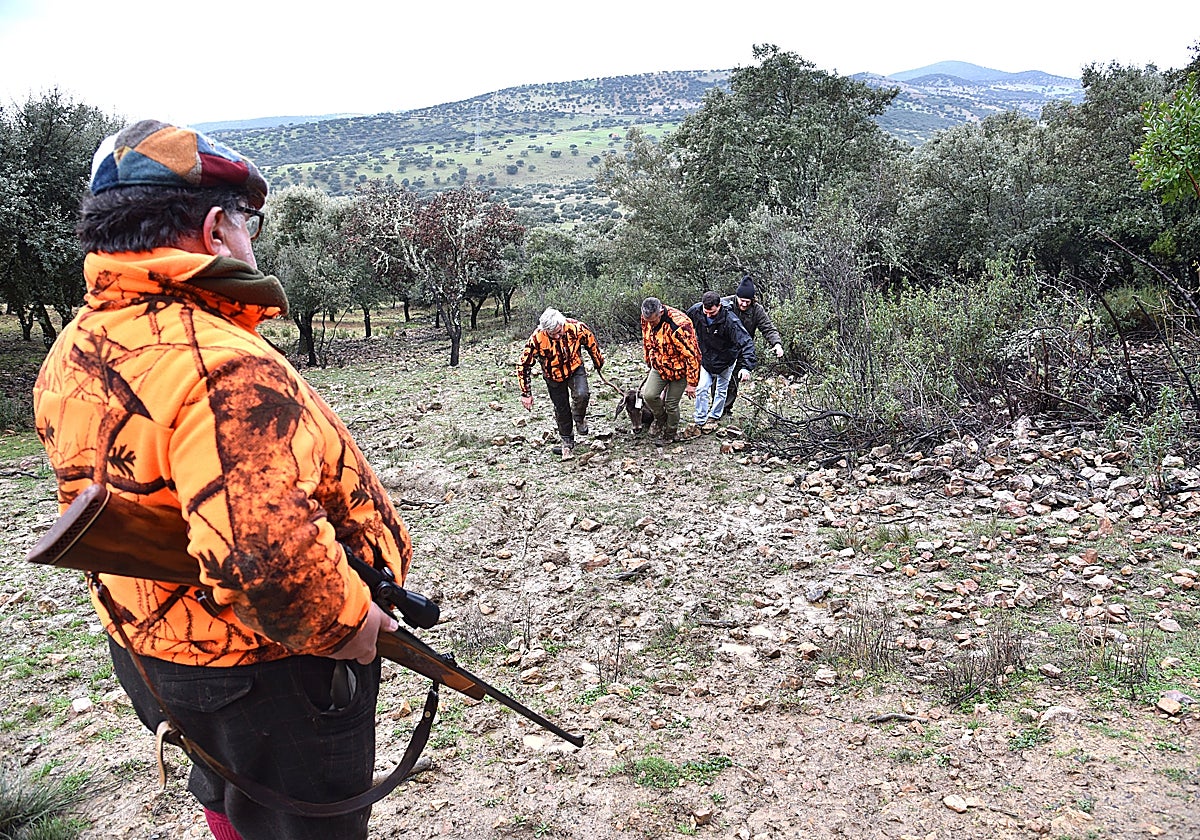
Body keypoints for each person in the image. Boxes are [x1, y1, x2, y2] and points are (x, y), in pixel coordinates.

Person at [32, 120, 410, 840]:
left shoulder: (73, 350)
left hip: (152, 647)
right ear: (215, 229)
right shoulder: (220, 363)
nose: (252, 240)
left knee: (231, 796)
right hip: (266, 671)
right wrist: (351, 625)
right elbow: (266, 563)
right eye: (248, 223)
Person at [517, 307, 606, 461]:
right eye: (553, 334)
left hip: (574, 368)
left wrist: (598, 361)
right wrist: (526, 393)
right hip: (553, 376)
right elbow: (523, 365)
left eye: (559, 332)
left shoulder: (576, 328)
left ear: (563, 324)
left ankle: (579, 417)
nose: (558, 336)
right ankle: (567, 443)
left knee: (582, 394)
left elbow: (591, 342)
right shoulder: (537, 339)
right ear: (545, 331)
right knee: (561, 408)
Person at [685, 290, 756, 435]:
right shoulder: (696, 311)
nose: (708, 315)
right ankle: (700, 419)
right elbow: (682, 324)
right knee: (702, 388)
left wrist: (746, 367)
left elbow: (747, 342)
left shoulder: (731, 321)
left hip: (726, 360)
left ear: (719, 306)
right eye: (706, 312)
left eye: (712, 313)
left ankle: (714, 416)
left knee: (721, 389)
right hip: (705, 357)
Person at [639, 297, 701, 443]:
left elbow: (693, 355)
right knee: (649, 395)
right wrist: (649, 359)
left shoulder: (680, 325)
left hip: (679, 370)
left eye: (653, 321)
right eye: (647, 321)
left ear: (660, 312)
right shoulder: (646, 318)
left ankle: (670, 432)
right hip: (659, 366)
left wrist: (692, 383)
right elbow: (646, 339)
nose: (650, 324)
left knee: (671, 404)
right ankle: (661, 419)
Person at [721, 274, 784, 415]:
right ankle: (717, 408)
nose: (744, 304)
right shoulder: (725, 304)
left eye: (747, 302)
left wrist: (777, 344)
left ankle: (725, 410)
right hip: (722, 348)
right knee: (719, 379)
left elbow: (768, 328)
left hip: (743, 349)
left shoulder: (757, 310)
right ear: (736, 297)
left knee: (734, 380)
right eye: (741, 301)